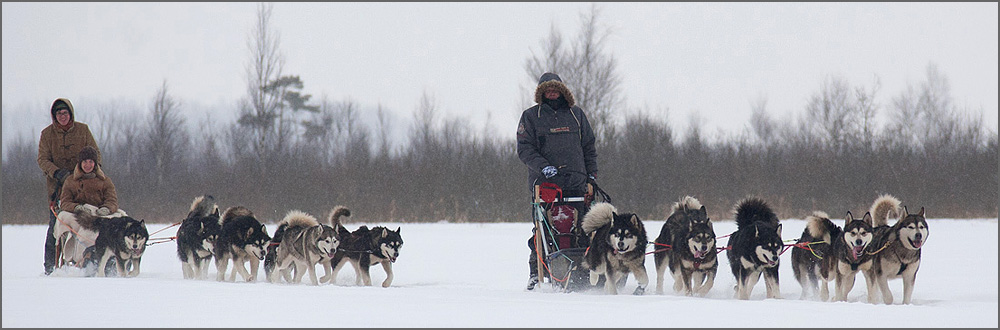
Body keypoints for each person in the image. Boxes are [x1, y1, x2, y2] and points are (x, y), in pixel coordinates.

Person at [516, 72, 598, 290]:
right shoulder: (531, 116)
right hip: (545, 185)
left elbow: (589, 147)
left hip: (577, 183)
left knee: (581, 229)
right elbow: (524, 149)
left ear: (563, 91)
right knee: (542, 230)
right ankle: (537, 272)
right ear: (541, 93)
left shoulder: (576, 115)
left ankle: (583, 273)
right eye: (547, 90)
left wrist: (591, 176)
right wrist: (543, 167)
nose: (552, 93)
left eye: (555, 89)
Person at [37, 98, 100, 275]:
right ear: (54, 116)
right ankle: (50, 267)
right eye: (59, 113)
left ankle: (91, 261)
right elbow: (42, 159)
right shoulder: (47, 134)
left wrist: (90, 172)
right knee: (55, 226)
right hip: (57, 187)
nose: (62, 116)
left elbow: (95, 153)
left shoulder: (83, 130)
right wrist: (57, 172)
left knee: (90, 223)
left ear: (70, 113)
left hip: (85, 185)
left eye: (65, 113)